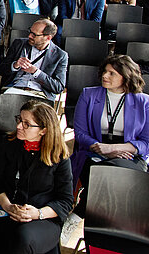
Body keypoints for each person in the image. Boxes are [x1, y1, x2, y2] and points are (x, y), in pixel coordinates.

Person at [63, 55, 149, 238]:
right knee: (106, 180)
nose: (104, 76)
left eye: (112, 73)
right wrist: (99, 147)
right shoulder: (89, 94)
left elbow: (146, 142)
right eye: (104, 71)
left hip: (128, 155)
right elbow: (80, 133)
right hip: (92, 151)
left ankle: (78, 216)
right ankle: (103, 233)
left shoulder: (144, 102)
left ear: (126, 77)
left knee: (115, 181)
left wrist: (118, 149)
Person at [0, 100, 73, 254]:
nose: (19, 126)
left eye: (26, 124)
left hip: (43, 217)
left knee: (23, 238)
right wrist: (8, 206)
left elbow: (65, 201)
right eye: (19, 120)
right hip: (8, 208)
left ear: (43, 130)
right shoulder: (7, 144)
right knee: (13, 237)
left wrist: (37, 213)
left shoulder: (58, 156)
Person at [0, 19, 68, 102]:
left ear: (48, 37)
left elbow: (58, 87)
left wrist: (36, 72)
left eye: (34, 35)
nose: (30, 36)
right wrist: (15, 65)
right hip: (14, 89)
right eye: (30, 32)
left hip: (40, 95)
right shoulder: (19, 44)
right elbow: (1, 70)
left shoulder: (60, 55)